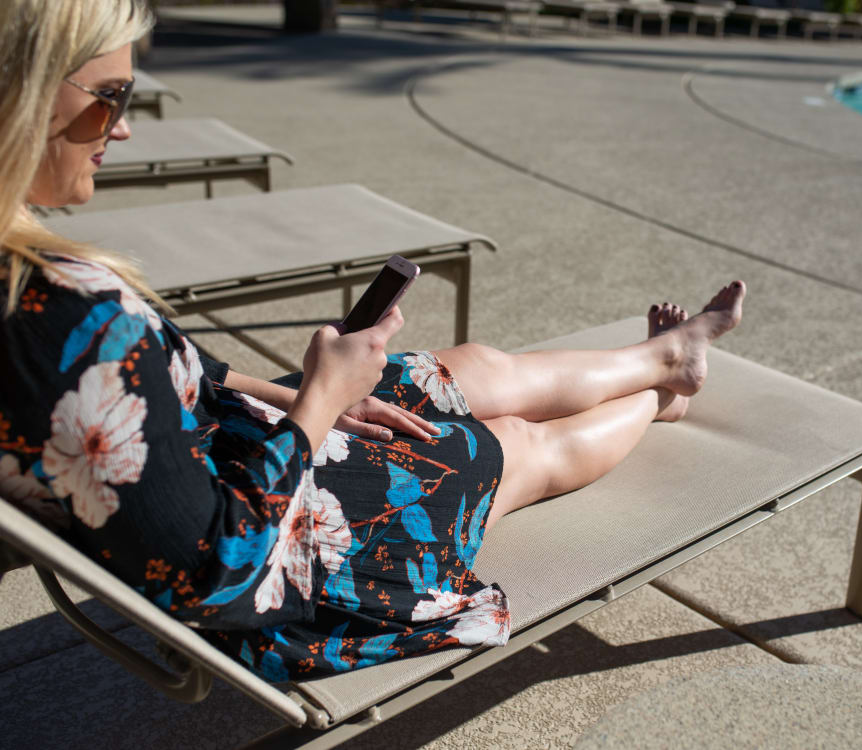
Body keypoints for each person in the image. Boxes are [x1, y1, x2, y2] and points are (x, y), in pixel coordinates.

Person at [0, 0, 746, 681]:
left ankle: (666, 358)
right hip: (280, 567)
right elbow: (216, 573)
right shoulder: (52, 317)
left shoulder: (30, 283)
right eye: (110, 99)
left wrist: (302, 395)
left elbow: (192, 374)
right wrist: (322, 400)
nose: (124, 126)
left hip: (242, 452)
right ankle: (656, 400)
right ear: (21, 91)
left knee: (462, 370)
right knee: (511, 445)